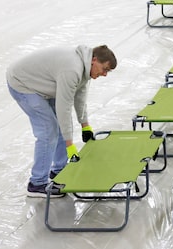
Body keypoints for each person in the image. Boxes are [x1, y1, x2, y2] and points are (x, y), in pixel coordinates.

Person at [6, 45, 117, 197]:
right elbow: (64, 108)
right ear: (95, 60)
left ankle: (59, 170)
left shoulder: (85, 68)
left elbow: (80, 97)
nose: (104, 74)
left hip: (43, 84)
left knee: (58, 125)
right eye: (104, 69)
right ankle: (37, 184)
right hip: (23, 83)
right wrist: (70, 145)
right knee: (48, 130)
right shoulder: (72, 70)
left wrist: (85, 125)